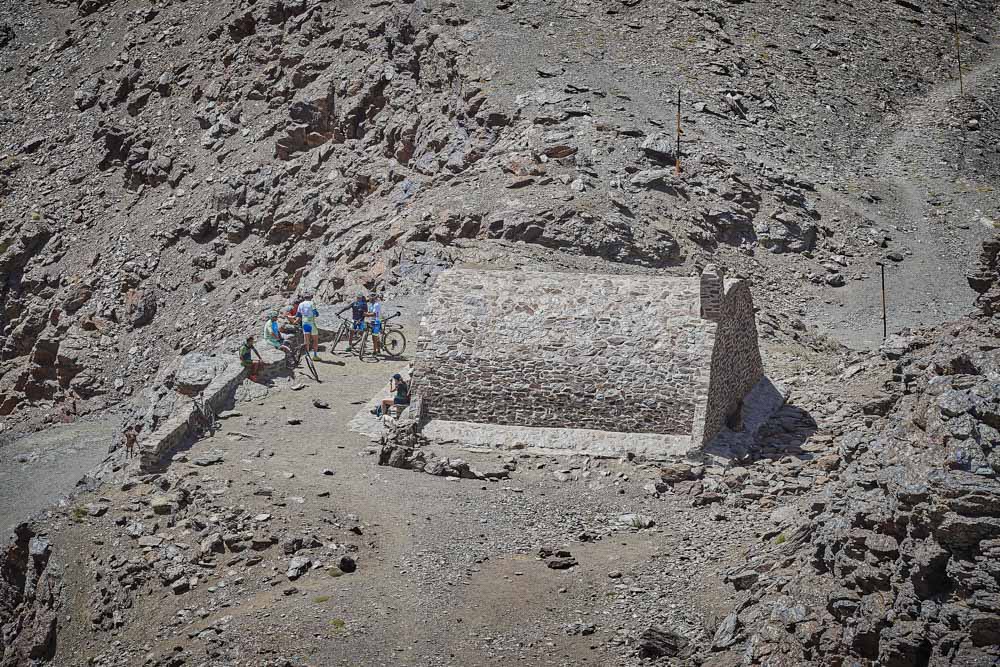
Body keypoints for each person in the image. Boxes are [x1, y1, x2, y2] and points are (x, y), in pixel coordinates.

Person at [296, 293, 320, 360]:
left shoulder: (300, 304)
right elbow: (315, 313)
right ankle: (315, 356)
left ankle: (307, 355)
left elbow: (298, 315)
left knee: (306, 341)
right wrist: (317, 314)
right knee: (315, 340)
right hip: (311, 323)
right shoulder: (312, 303)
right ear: (310, 297)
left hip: (304, 323)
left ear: (304, 298)